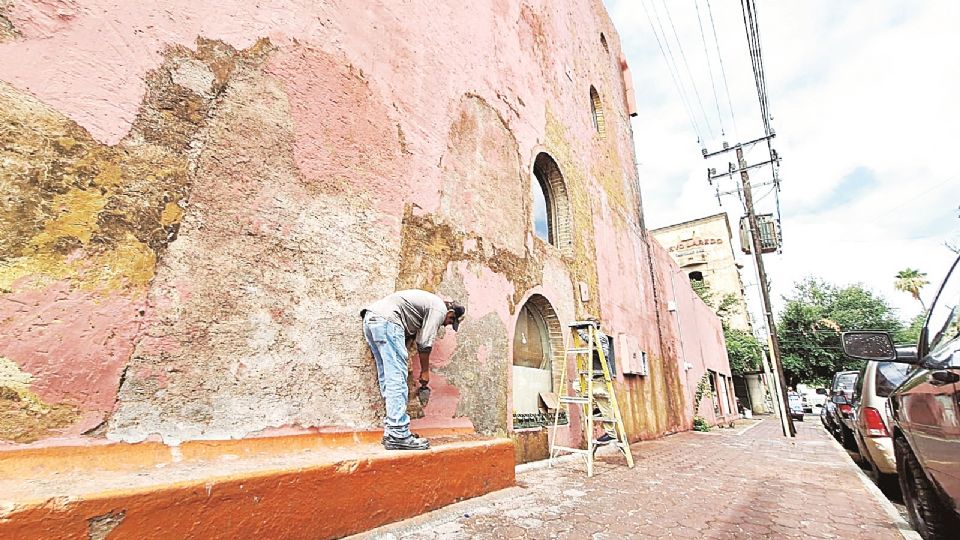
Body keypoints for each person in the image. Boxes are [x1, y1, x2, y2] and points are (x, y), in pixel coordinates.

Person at [360, 290, 465, 450]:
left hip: (372, 319)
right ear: (449, 312)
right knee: (397, 378)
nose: (446, 325)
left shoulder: (428, 304)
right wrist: (425, 371)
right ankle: (398, 434)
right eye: (450, 321)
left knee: (388, 377)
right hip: (388, 321)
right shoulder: (439, 308)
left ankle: (392, 432)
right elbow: (424, 343)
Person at [576, 321, 618, 445]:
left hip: (602, 375)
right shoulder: (593, 336)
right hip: (595, 375)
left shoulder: (600, 336)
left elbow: (604, 353)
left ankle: (611, 434)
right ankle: (596, 408)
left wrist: (590, 341)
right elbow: (588, 338)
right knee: (578, 386)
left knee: (604, 403)